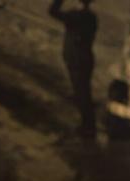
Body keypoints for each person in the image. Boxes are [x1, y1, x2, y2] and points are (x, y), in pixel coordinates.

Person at [48, 0, 98, 138]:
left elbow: (52, 11)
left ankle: (88, 128)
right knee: (84, 93)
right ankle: (88, 125)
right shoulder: (92, 17)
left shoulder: (75, 15)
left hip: (76, 60)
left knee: (81, 94)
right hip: (86, 58)